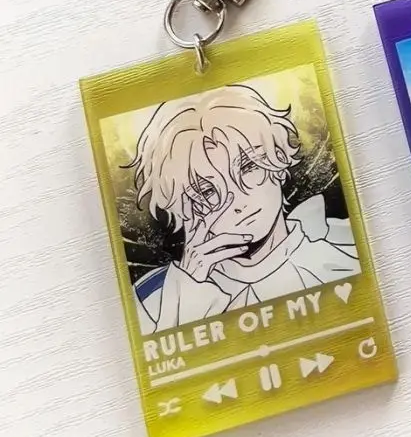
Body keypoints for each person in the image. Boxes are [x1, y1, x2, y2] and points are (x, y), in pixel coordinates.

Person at [129, 85, 359, 333]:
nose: (238, 200)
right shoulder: (151, 300)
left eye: (248, 167)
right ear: (184, 209)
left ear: (278, 159)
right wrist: (188, 297)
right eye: (207, 191)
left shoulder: (350, 246)